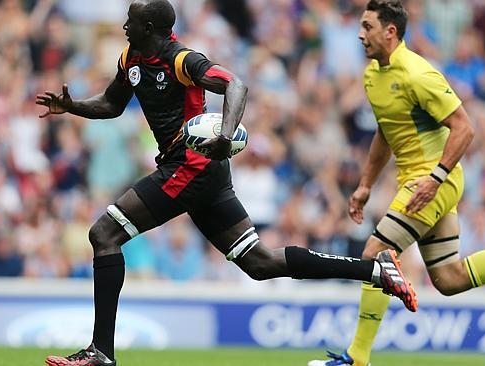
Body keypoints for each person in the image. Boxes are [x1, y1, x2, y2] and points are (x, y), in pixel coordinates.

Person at [36, 1, 416, 365]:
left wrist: (226, 134)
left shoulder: (182, 60)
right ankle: (375, 270)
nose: (124, 26)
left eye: (131, 20)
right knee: (260, 262)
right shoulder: (130, 58)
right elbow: (112, 104)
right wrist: (73, 107)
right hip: (199, 172)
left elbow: (235, 86)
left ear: (149, 28)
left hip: (191, 165)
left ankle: (101, 352)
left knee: (105, 233)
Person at [309, 1, 485, 365]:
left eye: (367, 26)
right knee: (449, 278)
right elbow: (386, 131)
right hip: (415, 181)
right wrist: (366, 185)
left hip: (433, 181)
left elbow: (465, 127)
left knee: (377, 252)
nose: (360, 34)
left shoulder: (418, 73)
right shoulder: (372, 75)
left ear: (390, 31)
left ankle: (356, 357)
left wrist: (435, 178)